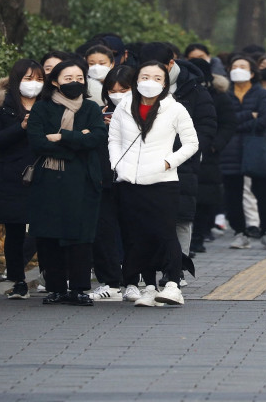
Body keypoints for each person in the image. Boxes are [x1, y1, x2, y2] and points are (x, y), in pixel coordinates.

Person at [110, 61, 199, 307]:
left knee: (164, 233)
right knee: (137, 236)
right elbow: (114, 138)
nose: (150, 82)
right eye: (145, 76)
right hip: (129, 181)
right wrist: (118, 164)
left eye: (157, 78)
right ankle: (149, 286)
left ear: (165, 83)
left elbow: (191, 143)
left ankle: (173, 284)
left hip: (162, 182)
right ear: (136, 80)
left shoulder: (175, 108)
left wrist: (168, 163)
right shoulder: (124, 106)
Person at [26, 60, 106, 306]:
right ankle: (56, 288)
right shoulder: (41, 108)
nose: (75, 83)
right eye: (68, 78)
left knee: (81, 236)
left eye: (80, 78)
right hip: (48, 182)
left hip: (83, 181)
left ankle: (79, 289)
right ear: (55, 81)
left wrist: (61, 137)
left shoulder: (91, 108)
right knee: (49, 236)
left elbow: (97, 138)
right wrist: (77, 141)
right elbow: (37, 142)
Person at [138, 43, 216, 284]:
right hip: (146, 162)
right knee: (148, 217)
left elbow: (207, 125)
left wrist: (184, 150)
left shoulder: (193, 89)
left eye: (158, 70)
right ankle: (147, 268)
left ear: (171, 64)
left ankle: (176, 269)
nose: (151, 76)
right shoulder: (137, 88)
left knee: (180, 218)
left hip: (182, 162)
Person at [0, 59, 44, 300]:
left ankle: (52, 277)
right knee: (15, 229)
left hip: (45, 172)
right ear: (17, 80)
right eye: (28, 78)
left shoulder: (49, 104)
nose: (34, 84)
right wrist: (21, 127)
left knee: (46, 226)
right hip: (13, 175)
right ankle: (18, 280)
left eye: (39, 79)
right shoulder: (2, 106)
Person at [220, 56, 266, 250]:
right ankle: (240, 232)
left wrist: (235, 125)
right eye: (234, 66)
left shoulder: (261, 93)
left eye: (242, 66)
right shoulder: (224, 94)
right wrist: (249, 115)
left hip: (257, 146)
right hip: (230, 150)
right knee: (233, 194)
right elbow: (223, 121)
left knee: (264, 192)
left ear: (252, 73)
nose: (237, 69)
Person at [89, 65, 136, 301]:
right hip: (104, 180)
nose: (117, 94)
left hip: (135, 180)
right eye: (112, 90)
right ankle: (110, 281)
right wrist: (100, 127)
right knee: (103, 230)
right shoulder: (98, 113)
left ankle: (134, 280)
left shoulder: (147, 113)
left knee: (133, 231)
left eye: (124, 89)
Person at [187, 58, 237, 255]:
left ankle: (199, 236)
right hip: (182, 151)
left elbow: (228, 124)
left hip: (208, 153)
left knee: (205, 197)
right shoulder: (179, 93)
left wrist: (215, 145)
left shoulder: (219, 96)